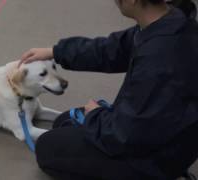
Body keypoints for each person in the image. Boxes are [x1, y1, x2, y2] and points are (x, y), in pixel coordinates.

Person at [19, 0, 198, 180]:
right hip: (154, 126)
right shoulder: (166, 22)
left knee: (47, 148)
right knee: (63, 121)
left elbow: (127, 135)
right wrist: (56, 52)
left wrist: (96, 116)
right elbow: (111, 49)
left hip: (156, 155)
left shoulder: (161, 58)